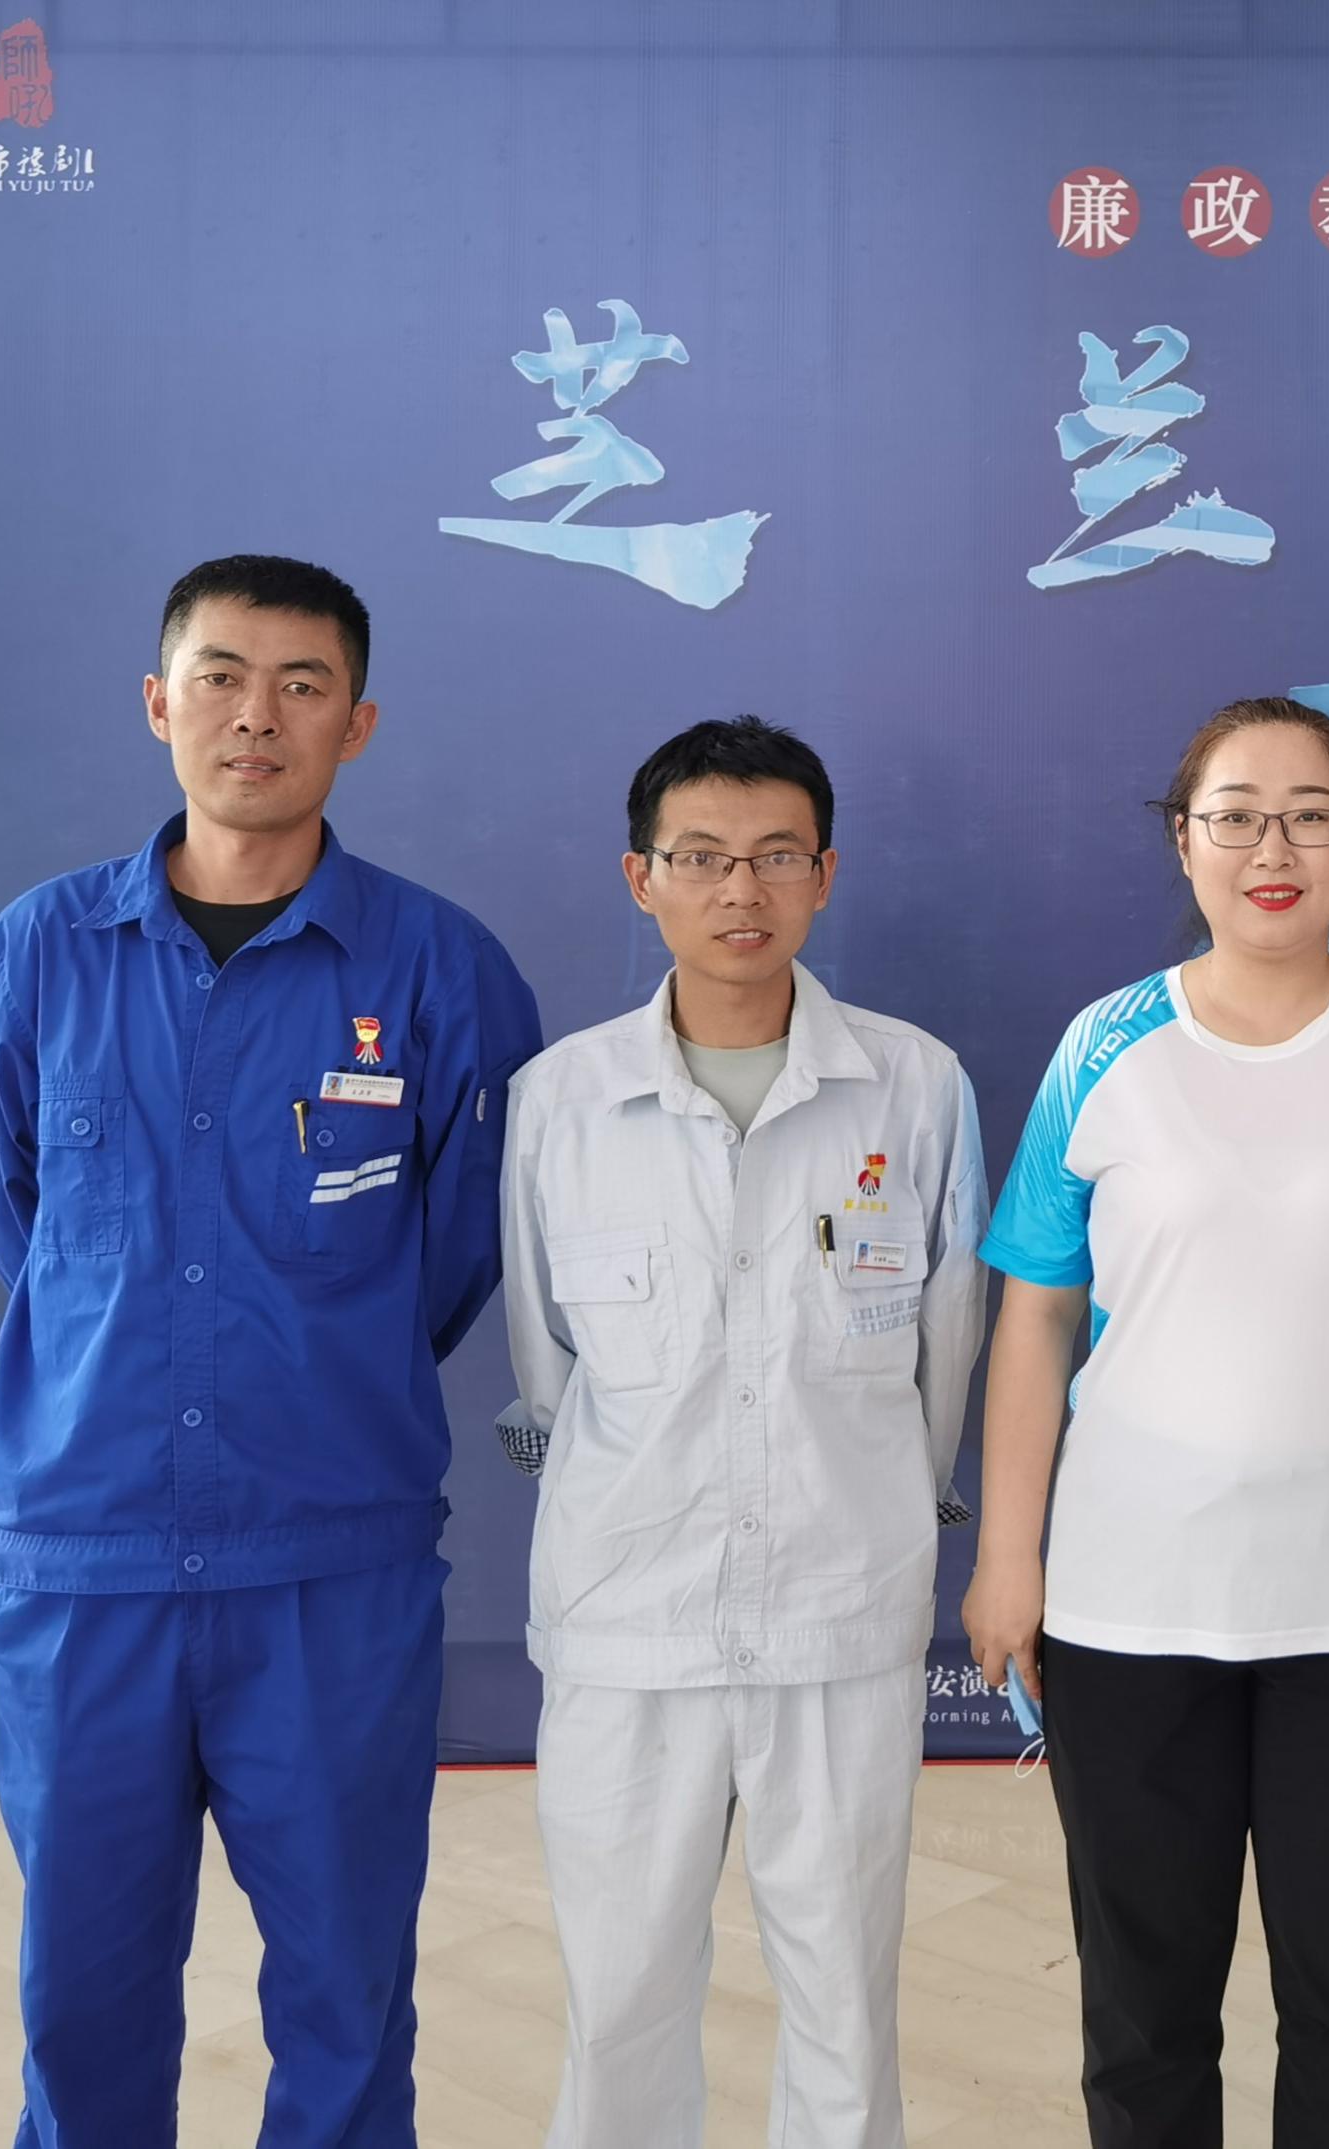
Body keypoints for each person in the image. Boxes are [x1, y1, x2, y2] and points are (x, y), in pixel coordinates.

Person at [0, 555, 543, 2147]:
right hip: (86, 1560)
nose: (256, 715)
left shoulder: (441, 968)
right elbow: (23, 1225)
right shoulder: (40, 950)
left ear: (359, 722)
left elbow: (458, 1251)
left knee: (348, 1999)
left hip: (329, 1564)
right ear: (159, 704)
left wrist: (307, 1357)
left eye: (302, 684)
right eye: (220, 677)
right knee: (80, 2002)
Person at [960, 695, 1329, 2149]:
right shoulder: (1105, 1046)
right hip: (1132, 1603)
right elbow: (1034, 1317)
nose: (1273, 850)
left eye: (1310, 817)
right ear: (1183, 838)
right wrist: (1008, 1558)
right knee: (1144, 2008)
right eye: (1236, 817)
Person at [498, 717, 986, 2149]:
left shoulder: (915, 1086)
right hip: (624, 1623)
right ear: (640, 877)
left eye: (776, 856)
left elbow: (946, 1352)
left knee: (844, 1997)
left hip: (842, 1617)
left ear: (824, 874)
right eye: (702, 857)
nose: (740, 890)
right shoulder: (561, 1101)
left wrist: (884, 1514)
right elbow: (545, 1371)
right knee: (619, 1997)